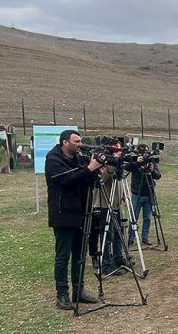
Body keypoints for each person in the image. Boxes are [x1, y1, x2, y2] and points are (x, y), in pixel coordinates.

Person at [45, 130, 103, 310]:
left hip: (81, 213)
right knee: (63, 256)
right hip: (63, 214)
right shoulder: (53, 160)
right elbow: (67, 181)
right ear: (65, 143)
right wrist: (89, 168)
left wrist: (94, 169)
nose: (80, 144)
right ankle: (62, 294)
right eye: (76, 141)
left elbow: (87, 180)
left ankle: (79, 290)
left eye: (80, 141)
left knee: (79, 255)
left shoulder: (79, 158)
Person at [91, 137, 127, 274]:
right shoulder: (101, 161)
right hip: (104, 203)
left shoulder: (118, 164)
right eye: (116, 149)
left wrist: (125, 197)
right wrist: (113, 163)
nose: (119, 152)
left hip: (116, 203)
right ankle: (106, 263)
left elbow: (120, 181)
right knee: (107, 235)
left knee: (119, 233)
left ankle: (119, 258)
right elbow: (103, 178)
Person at [128, 144, 162, 246]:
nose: (144, 155)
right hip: (136, 193)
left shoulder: (150, 161)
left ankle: (145, 237)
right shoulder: (134, 162)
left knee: (147, 217)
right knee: (134, 217)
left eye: (146, 153)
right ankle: (131, 238)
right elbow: (126, 167)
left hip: (148, 192)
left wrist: (152, 170)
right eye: (142, 153)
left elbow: (158, 176)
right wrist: (137, 163)